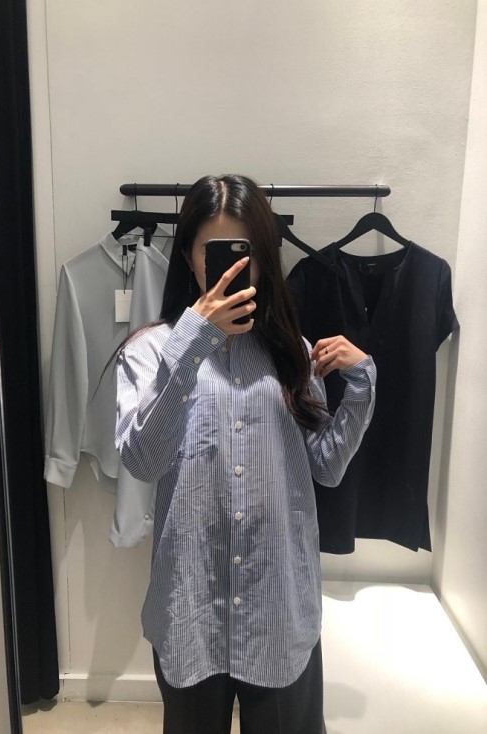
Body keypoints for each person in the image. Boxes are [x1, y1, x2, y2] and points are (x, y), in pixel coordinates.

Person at [115, 174, 376, 734]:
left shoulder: (292, 355)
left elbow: (327, 468)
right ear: (188, 256)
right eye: (216, 251)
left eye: (247, 251)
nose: (234, 267)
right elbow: (142, 461)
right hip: (191, 611)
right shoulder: (151, 352)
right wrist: (193, 343)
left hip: (277, 608)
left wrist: (362, 385)